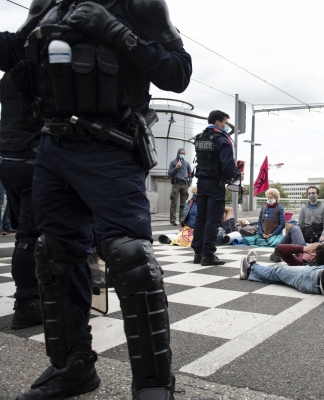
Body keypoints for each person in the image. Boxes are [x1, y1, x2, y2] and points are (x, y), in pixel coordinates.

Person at [0, 1, 192, 398]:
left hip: (112, 147)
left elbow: (178, 72)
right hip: (52, 148)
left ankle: (154, 386)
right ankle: (72, 369)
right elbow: (16, 51)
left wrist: (116, 32)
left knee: (131, 258)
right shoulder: (47, 4)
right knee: (54, 255)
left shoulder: (139, 5)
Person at [0, 71, 42, 330]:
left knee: (26, 233)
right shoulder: (41, 68)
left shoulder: (9, 75)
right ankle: (28, 303)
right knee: (30, 235)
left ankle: (33, 295)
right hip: (32, 156)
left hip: (9, 157)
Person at [192, 110, 243, 266]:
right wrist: (237, 175)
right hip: (216, 184)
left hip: (201, 182)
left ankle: (198, 253)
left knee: (201, 218)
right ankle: (208, 254)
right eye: (225, 123)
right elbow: (227, 165)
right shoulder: (222, 140)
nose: (226, 126)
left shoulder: (199, 138)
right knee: (213, 220)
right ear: (217, 123)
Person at [168, 147, 192, 226]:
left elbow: (190, 174)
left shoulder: (187, 163)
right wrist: (176, 167)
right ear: (178, 153)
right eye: (181, 153)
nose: (182, 155)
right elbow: (169, 173)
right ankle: (172, 220)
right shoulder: (173, 162)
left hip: (185, 184)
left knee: (183, 204)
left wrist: (189, 183)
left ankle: (182, 220)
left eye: (183, 154)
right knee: (173, 203)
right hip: (176, 184)